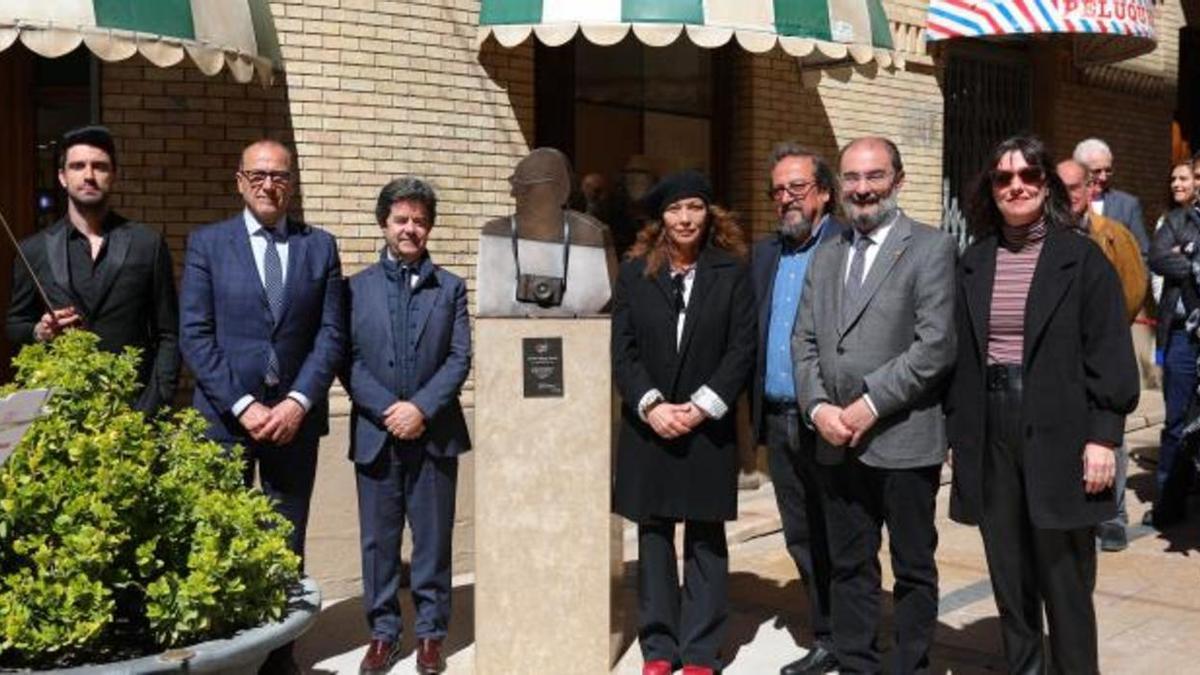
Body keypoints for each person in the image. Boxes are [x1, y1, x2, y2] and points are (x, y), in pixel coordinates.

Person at [946, 135, 1138, 674]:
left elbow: (1110, 355)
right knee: (1010, 577)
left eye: (1028, 176)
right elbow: (962, 361)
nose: (1016, 186)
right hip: (991, 426)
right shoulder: (974, 260)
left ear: (1047, 185)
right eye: (1004, 178)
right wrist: (961, 440)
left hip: (1061, 427)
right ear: (990, 189)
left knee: (1065, 580)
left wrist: (1104, 435)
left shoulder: (1080, 259)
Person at [793, 137, 956, 674]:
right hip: (835, 441)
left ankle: (908, 665)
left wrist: (867, 404)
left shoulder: (930, 248)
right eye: (852, 178)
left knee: (912, 568)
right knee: (848, 565)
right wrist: (819, 409)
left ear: (899, 180)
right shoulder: (827, 251)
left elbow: (934, 347)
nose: (862, 189)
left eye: (874, 176)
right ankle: (857, 662)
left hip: (903, 440)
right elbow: (805, 341)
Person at [612, 170, 755, 675]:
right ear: (661, 219)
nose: (685, 218)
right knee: (653, 539)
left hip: (705, 428)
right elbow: (622, 351)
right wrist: (652, 405)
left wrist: (700, 407)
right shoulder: (634, 274)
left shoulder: (733, 271)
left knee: (705, 540)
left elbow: (742, 348)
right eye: (675, 209)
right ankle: (659, 648)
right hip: (648, 426)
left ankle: (699, 650)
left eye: (694, 207)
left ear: (709, 214)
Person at [343, 178, 470, 675]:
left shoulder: (451, 288)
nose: (410, 229)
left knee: (433, 540)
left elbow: (459, 358)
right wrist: (388, 410)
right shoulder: (354, 289)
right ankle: (382, 633)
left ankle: (431, 635)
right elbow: (346, 359)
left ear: (429, 227)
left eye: (419, 220)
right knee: (378, 542)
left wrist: (420, 408)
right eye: (401, 220)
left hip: (434, 433)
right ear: (384, 224)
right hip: (376, 435)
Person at [6, 125, 179, 413]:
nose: (88, 175)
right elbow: (14, 325)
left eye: (99, 166)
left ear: (113, 175)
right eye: (77, 166)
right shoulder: (33, 250)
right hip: (60, 411)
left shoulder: (147, 244)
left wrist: (156, 400)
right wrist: (40, 331)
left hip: (134, 410)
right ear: (62, 177)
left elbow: (169, 333)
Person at [749, 143, 841, 675]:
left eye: (798, 188)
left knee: (839, 532)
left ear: (824, 194)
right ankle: (826, 631)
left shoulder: (846, 247)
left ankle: (849, 635)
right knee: (800, 533)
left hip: (828, 419)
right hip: (778, 417)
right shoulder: (766, 254)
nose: (786, 199)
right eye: (779, 190)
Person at [1056, 158, 1148, 552]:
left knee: (1108, 434)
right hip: (1060, 358)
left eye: (1074, 188)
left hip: (1102, 351)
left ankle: (1112, 516)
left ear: (1090, 189)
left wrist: (1103, 330)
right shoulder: (1045, 234)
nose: (1068, 197)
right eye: (1059, 190)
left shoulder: (1114, 235)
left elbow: (1134, 286)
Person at [1147, 150, 1200, 528]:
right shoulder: (1178, 221)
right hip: (1183, 337)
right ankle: (1168, 500)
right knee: (1176, 421)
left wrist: (1191, 258)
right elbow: (1159, 258)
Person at [1074, 137, 1150, 255]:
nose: (1103, 177)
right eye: (1097, 171)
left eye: (1108, 170)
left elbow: (1142, 252)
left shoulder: (1127, 205)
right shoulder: (1066, 202)